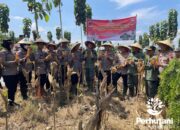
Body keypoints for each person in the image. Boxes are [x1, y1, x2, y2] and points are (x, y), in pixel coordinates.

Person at [0, 40, 19, 106]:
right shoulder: (3, 52)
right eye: (11, 44)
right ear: (7, 45)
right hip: (8, 74)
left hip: (15, 73)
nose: (12, 46)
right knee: (10, 89)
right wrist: (14, 62)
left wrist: (17, 61)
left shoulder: (12, 52)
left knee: (14, 88)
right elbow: (3, 62)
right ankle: (10, 103)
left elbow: (16, 60)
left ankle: (12, 101)